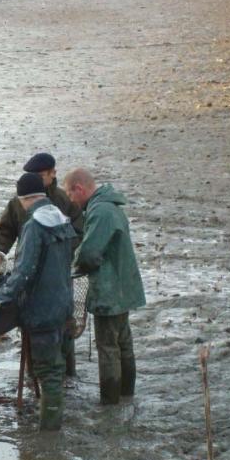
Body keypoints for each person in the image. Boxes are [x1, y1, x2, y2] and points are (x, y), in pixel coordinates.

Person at [0, 173, 77, 431]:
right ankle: (52, 423)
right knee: (56, 370)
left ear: (24, 199)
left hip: (41, 310)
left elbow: (23, 272)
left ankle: (49, 434)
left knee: (47, 373)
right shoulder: (62, 219)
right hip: (63, 304)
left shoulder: (34, 226)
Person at [0, 153, 82, 377]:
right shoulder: (17, 202)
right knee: (37, 331)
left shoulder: (63, 200)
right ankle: (39, 377)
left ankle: (65, 376)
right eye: (35, 176)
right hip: (33, 275)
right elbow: (6, 230)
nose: (39, 179)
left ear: (53, 174)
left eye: (43, 175)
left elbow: (79, 231)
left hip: (57, 273)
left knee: (63, 329)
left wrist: (61, 255)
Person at [63, 168, 146, 405]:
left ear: (79, 189)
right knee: (124, 344)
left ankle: (110, 403)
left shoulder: (100, 211)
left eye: (70, 195)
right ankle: (127, 395)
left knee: (109, 347)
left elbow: (89, 253)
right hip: (123, 288)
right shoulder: (110, 206)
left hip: (110, 291)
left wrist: (72, 268)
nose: (71, 200)